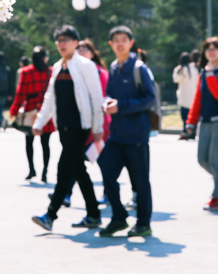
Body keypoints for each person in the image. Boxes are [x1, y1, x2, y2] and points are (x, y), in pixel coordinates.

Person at [31, 25, 104, 232]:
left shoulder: (85, 65)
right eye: (59, 40)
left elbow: (96, 96)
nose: (62, 44)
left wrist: (97, 127)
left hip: (80, 126)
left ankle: (50, 215)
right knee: (78, 170)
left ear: (75, 43)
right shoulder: (56, 66)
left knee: (64, 168)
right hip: (62, 126)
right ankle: (94, 214)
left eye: (66, 40)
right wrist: (39, 123)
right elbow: (49, 97)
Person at [98, 26, 156, 238]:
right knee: (107, 174)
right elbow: (110, 94)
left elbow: (150, 98)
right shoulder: (114, 67)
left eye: (124, 39)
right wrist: (107, 102)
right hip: (117, 135)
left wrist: (121, 105)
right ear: (111, 44)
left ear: (131, 43)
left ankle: (143, 223)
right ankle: (119, 218)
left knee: (140, 181)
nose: (120, 43)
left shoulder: (139, 68)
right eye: (116, 40)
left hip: (137, 136)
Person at [186, 37, 218, 212]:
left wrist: (209, 74)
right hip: (205, 121)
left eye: (215, 49)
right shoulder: (203, 73)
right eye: (208, 49)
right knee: (202, 159)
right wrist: (191, 122)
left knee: (215, 161)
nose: (212, 52)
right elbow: (198, 99)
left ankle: (216, 198)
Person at [60, 38, 112, 206]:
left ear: (93, 53)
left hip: (99, 126)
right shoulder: (71, 69)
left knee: (104, 163)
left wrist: (98, 125)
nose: (81, 51)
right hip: (80, 126)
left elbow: (101, 97)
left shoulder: (100, 72)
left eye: (85, 48)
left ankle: (109, 194)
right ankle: (65, 194)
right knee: (75, 161)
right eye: (79, 48)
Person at [10, 46, 54, 182]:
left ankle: (31, 170)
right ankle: (45, 172)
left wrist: (14, 110)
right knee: (45, 144)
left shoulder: (26, 72)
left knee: (29, 142)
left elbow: (20, 93)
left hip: (30, 110)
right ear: (45, 58)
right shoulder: (51, 72)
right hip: (46, 112)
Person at [174, 50, 200, 141]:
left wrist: (178, 69)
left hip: (184, 98)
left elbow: (175, 79)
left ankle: (186, 132)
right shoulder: (196, 68)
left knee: (185, 116)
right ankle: (192, 133)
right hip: (194, 97)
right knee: (194, 116)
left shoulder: (181, 69)